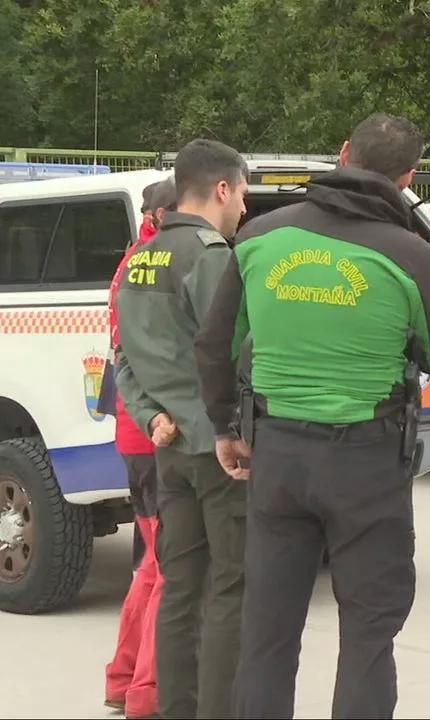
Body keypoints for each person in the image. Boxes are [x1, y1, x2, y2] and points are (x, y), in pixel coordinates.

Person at [193, 113, 430, 719]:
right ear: (409, 178)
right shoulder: (409, 253)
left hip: (277, 459)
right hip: (368, 465)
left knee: (267, 636)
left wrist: (225, 428)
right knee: (368, 637)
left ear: (343, 153)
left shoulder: (260, 237)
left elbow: (214, 346)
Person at [113, 139, 249, 719]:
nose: (245, 207)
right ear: (222, 189)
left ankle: (177, 709)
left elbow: (122, 357)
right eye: (243, 193)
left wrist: (151, 417)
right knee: (230, 587)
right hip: (219, 448)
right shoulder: (209, 253)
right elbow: (236, 350)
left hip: (169, 446)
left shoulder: (140, 257)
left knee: (180, 587)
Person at [104, 178, 177, 720]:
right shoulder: (160, 264)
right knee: (168, 568)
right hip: (158, 435)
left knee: (151, 564)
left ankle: (123, 678)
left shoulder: (133, 263)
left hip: (135, 433)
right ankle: (145, 694)